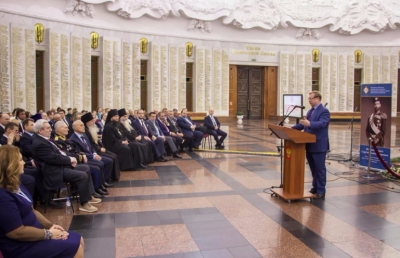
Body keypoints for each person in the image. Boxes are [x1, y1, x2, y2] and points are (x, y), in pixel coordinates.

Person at [0, 145, 84, 258]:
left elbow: (31, 209)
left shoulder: (16, 183)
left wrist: (50, 226)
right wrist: (48, 234)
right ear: (9, 165)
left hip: (35, 234)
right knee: (73, 247)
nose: (24, 163)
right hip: (20, 246)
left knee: (78, 239)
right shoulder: (3, 196)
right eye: (20, 160)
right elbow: (16, 232)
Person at [31, 119, 100, 212]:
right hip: (54, 171)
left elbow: (59, 153)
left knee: (85, 168)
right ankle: (84, 203)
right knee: (82, 175)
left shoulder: (45, 140)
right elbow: (53, 158)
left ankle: (89, 195)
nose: (50, 130)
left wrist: (70, 159)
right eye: (48, 128)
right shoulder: (39, 143)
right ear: (40, 130)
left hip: (59, 166)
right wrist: (69, 160)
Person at [292, 91, 330, 199]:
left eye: (311, 98)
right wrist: (290, 128)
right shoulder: (310, 111)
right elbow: (302, 124)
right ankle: (315, 187)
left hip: (318, 145)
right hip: (309, 144)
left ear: (317, 99)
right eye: (309, 99)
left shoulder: (324, 111)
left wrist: (309, 124)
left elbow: (322, 123)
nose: (309, 100)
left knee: (320, 169)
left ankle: (321, 190)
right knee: (313, 168)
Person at [81, 112, 121, 181]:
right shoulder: (86, 132)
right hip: (94, 152)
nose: (93, 122)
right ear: (86, 123)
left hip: (97, 149)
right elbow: (90, 144)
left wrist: (101, 147)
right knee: (110, 159)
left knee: (114, 156)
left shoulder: (91, 128)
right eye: (91, 121)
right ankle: (106, 178)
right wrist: (99, 149)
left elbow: (96, 141)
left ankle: (113, 176)